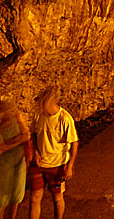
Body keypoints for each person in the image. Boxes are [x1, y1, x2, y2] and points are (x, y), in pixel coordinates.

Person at [29, 86, 78, 219]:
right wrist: (36, 153)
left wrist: (70, 167)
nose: (41, 106)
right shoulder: (39, 115)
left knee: (57, 198)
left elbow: (74, 143)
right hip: (38, 164)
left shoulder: (65, 118)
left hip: (57, 165)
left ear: (53, 101)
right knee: (35, 198)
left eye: (44, 102)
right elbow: (33, 134)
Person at [0, 100, 30, 219]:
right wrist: (19, 140)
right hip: (2, 166)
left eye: (11, 111)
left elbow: (27, 135)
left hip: (17, 162)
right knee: (0, 201)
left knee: (16, 196)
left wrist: (15, 140)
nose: (10, 114)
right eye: (7, 111)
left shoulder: (17, 119)